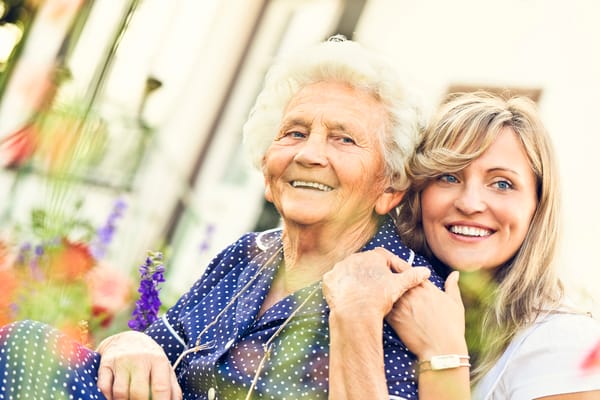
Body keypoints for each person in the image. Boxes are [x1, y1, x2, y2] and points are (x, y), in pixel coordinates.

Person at [0, 36, 444, 399]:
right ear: (268, 170)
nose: (309, 154)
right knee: (25, 345)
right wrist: (127, 342)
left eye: (344, 140)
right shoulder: (245, 256)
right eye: (295, 132)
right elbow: (153, 352)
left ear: (390, 188)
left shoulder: (404, 292)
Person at [385, 91, 600, 399]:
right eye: (448, 177)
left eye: (502, 184)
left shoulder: (563, 343)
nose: (470, 203)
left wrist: (443, 356)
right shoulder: (394, 312)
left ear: (537, 206)